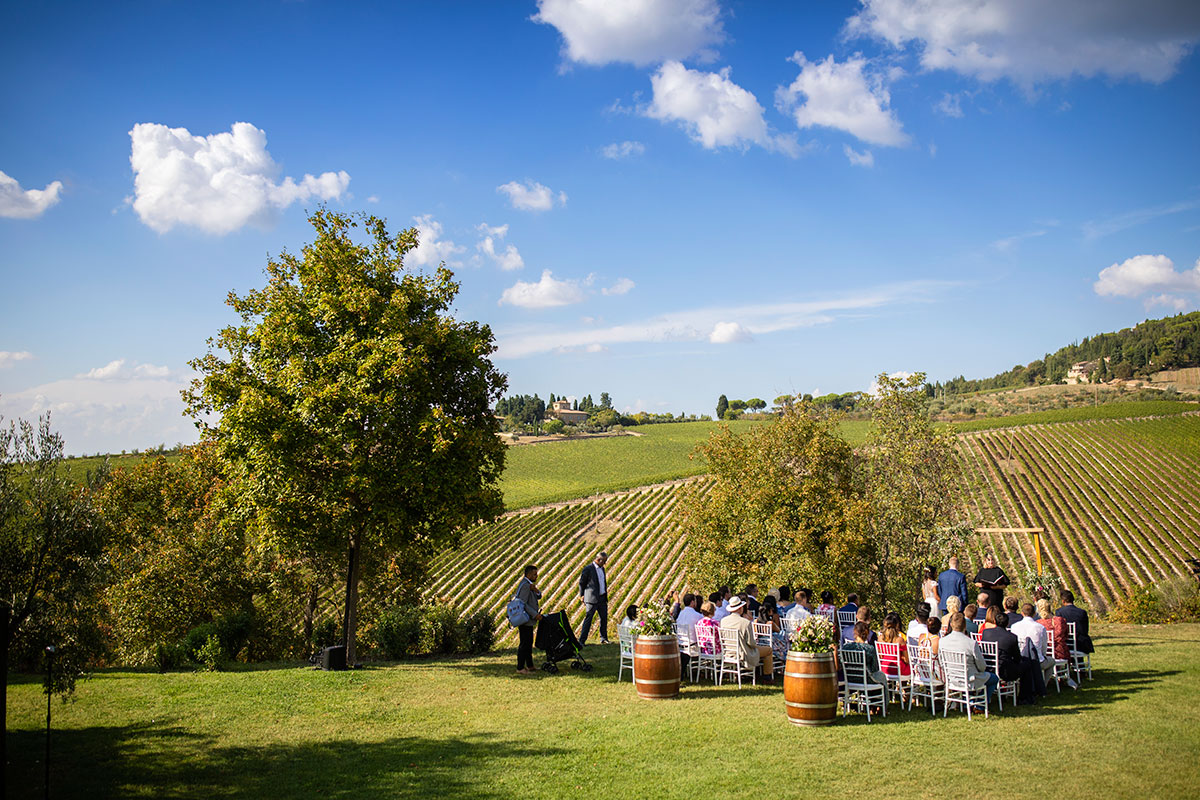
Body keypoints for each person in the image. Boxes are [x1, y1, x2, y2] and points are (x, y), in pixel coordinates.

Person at [939, 612, 999, 704]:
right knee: (994, 678)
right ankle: (980, 704)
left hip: (951, 678)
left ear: (951, 624)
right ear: (965, 625)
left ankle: (968, 701)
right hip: (970, 680)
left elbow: (942, 663)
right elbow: (982, 666)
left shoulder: (942, 641)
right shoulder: (971, 643)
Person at [719, 595, 773, 681]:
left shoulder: (723, 621)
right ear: (740, 609)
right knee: (769, 650)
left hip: (729, 650)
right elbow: (751, 643)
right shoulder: (745, 623)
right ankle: (767, 676)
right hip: (743, 652)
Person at [841, 621, 889, 712]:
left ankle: (872, 705)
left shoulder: (846, 647)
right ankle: (882, 707)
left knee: (876, 677)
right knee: (881, 677)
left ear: (855, 632)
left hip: (850, 678)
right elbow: (875, 668)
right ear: (867, 633)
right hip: (866, 679)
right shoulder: (869, 649)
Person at [981, 612, 1029, 702]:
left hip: (988, 667)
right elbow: (1017, 658)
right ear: (1007, 623)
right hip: (1004, 670)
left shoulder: (986, 633)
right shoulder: (1011, 637)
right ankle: (1025, 695)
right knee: (1026, 664)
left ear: (994, 621)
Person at [1036, 598, 1078, 689]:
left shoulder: (1038, 623)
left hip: (1045, 652)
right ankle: (1063, 676)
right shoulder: (1060, 620)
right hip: (1060, 651)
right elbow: (1066, 635)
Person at [1012, 602, 1052, 697]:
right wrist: (1042, 655)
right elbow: (1044, 647)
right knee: (1052, 662)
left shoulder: (1014, 626)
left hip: (1020, 659)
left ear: (1022, 613)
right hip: (1037, 660)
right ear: (1034, 613)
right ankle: (1042, 686)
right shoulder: (1040, 627)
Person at [514, 565, 542, 675]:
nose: (536, 576)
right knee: (524, 643)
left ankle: (530, 665)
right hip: (525, 619)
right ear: (528, 574)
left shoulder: (529, 585)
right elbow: (523, 603)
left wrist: (535, 590)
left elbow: (539, 596)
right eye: (534, 574)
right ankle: (520, 667)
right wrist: (535, 614)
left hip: (528, 620)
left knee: (529, 642)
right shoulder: (525, 586)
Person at [578, 551, 610, 645]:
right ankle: (582, 640)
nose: (605, 563)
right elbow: (582, 583)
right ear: (599, 560)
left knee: (603, 618)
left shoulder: (602, 569)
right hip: (591, 598)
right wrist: (582, 595)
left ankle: (603, 638)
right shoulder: (588, 569)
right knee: (588, 619)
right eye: (604, 561)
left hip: (602, 598)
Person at [1055, 589, 1095, 654]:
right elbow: (1085, 630)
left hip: (1067, 644)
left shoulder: (1059, 612)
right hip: (1081, 644)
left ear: (1063, 601)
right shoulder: (1082, 612)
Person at [758, 595, 788, 665]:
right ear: (768, 612)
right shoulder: (770, 623)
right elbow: (779, 631)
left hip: (761, 642)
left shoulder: (756, 621)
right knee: (786, 639)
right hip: (770, 643)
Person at [878, 612, 911, 678]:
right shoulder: (900, 640)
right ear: (897, 625)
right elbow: (907, 660)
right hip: (898, 669)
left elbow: (880, 656)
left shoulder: (880, 638)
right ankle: (904, 687)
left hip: (884, 668)